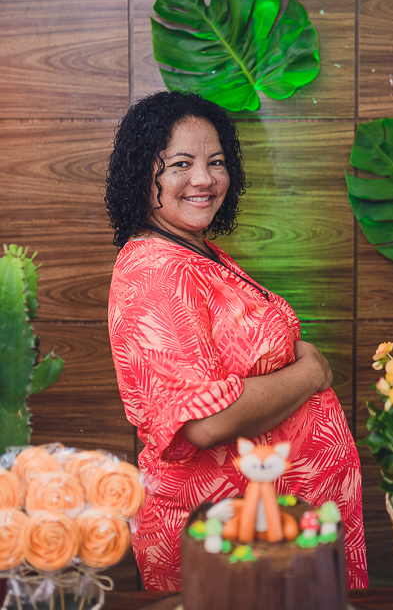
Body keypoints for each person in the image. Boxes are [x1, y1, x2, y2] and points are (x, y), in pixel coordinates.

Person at [105, 90, 368, 591]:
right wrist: (311, 373)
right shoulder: (156, 272)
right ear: (145, 174)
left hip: (273, 535)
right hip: (227, 542)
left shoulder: (195, 252)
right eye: (181, 164)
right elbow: (203, 424)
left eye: (216, 162)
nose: (204, 179)